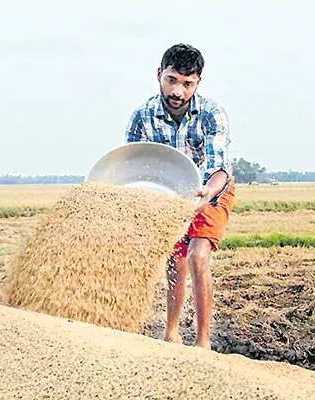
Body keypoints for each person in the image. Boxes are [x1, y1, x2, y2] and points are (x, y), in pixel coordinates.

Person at [124, 43, 236, 349]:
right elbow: (134, 167)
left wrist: (208, 192)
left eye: (187, 84)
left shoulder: (212, 115)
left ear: (198, 83)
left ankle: (203, 342)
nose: (178, 91)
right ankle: (171, 334)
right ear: (159, 74)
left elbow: (220, 169)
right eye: (171, 80)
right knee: (176, 263)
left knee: (198, 257)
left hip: (210, 188)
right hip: (168, 195)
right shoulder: (142, 117)